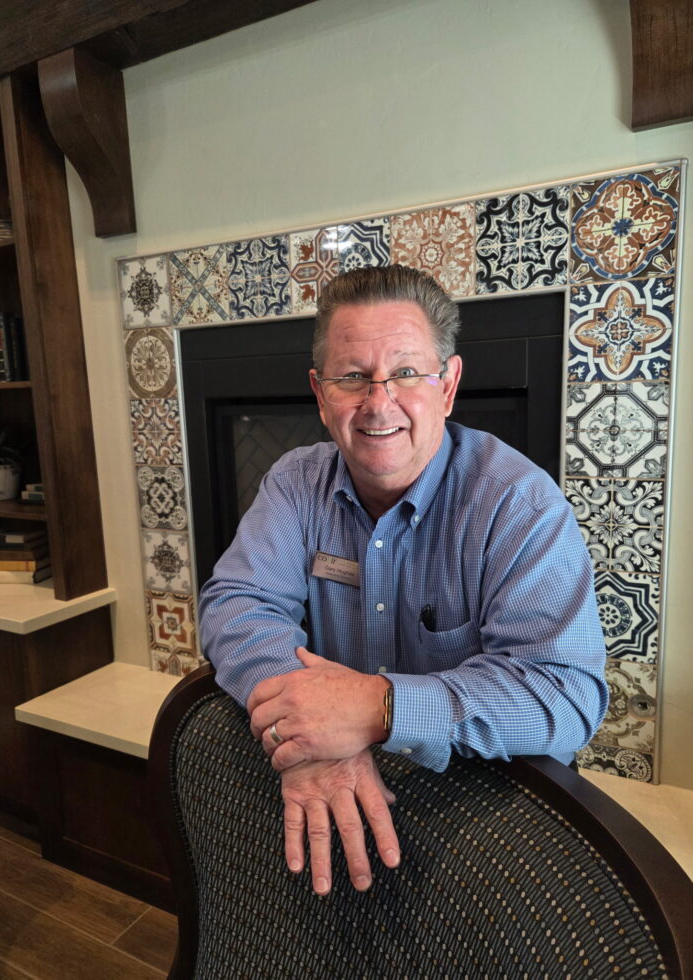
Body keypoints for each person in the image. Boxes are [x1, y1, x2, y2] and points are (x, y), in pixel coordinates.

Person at [199, 264, 608, 897]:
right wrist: (308, 731)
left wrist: (378, 708)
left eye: (406, 373)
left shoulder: (521, 503)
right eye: (352, 377)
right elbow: (236, 603)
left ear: (448, 385)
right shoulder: (293, 482)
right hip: (330, 787)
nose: (378, 402)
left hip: (486, 810)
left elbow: (566, 695)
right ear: (319, 391)